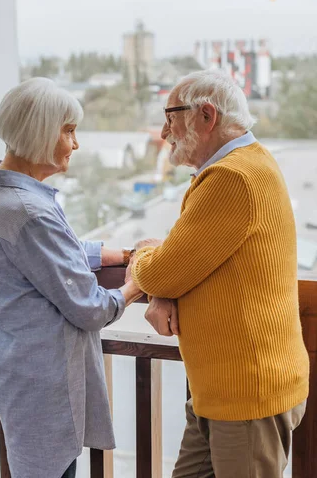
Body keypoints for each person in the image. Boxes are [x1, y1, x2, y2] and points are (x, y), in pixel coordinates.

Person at [126, 69, 309, 478]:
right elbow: (178, 268)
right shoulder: (244, 165)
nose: (164, 130)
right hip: (224, 390)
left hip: (247, 396)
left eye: (170, 116)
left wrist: (143, 257)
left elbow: (162, 272)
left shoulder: (232, 178)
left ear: (206, 116)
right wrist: (162, 285)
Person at [0, 77, 142, 478]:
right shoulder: (30, 211)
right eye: (69, 130)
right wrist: (137, 283)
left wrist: (112, 254)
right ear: (41, 132)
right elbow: (89, 308)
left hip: (14, 369)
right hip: (43, 385)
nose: (75, 144)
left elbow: (42, 258)